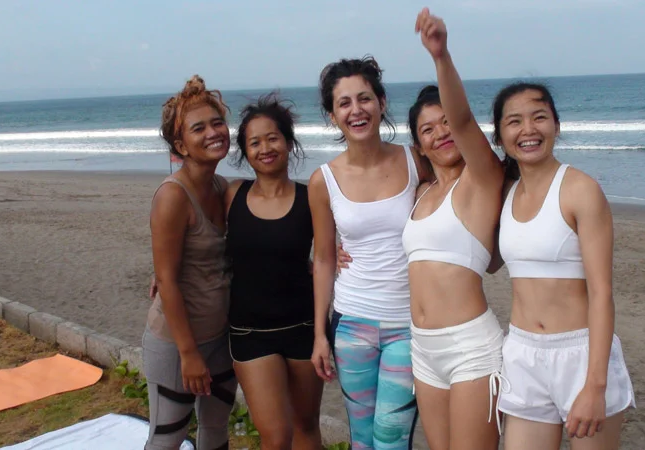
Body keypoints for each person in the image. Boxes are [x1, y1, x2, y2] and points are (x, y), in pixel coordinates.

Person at [492, 80, 636, 447]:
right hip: (523, 354)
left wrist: (595, 385)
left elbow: (602, 293)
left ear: (556, 125)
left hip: (581, 354)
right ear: (500, 135)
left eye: (539, 117)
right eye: (514, 121)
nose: (528, 129)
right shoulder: (505, 195)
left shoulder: (580, 189)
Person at [308, 55, 431, 450]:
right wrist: (319, 336)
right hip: (350, 323)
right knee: (361, 439)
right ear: (332, 116)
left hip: (408, 325)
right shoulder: (322, 180)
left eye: (364, 98)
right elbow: (325, 258)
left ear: (380, 102)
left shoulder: (416, 161)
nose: (355, 110)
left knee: (392, 439)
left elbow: (458, 196)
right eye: (344, 103)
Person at [404, 9, 509, 450]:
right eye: (428, 129)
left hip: (470, 348)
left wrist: (441, 56)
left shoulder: (482, 179)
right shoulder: (421, 193)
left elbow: (464, 122)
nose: (440, 133)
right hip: (422, 349)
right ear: (418, 145)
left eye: (444, 121)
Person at [224, 93, 323, 450]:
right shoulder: (232, 194)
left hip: (304, 329)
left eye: (272, 138)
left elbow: (330, 253)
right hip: (250, 333)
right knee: (276, 436)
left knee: (306, 426)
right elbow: (199, 241)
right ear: (244, 151)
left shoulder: (311, 195)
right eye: (254, 142)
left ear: (288, 141)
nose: (265, 147)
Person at [143, 75, 237, 450]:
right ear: (180, 144)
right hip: (177, 344)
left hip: (222, 339)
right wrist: (188, 354)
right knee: (168, 439)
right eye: (199, 128)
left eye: (217, 123)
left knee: (216, 433)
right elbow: (167, 282)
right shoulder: (173, 197)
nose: (214, 132)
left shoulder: (220, 186)